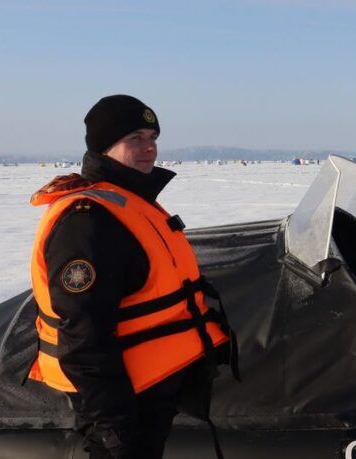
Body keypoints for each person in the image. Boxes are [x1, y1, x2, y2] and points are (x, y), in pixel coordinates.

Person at [28, 95, 235, 458]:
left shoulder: (130, 201)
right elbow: (83, 333)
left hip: (152, 384)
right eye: (135, 139)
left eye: (153, 137)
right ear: (105, 147)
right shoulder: (88, 220)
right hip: (123, 401)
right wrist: (112, 423)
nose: (149, 148)